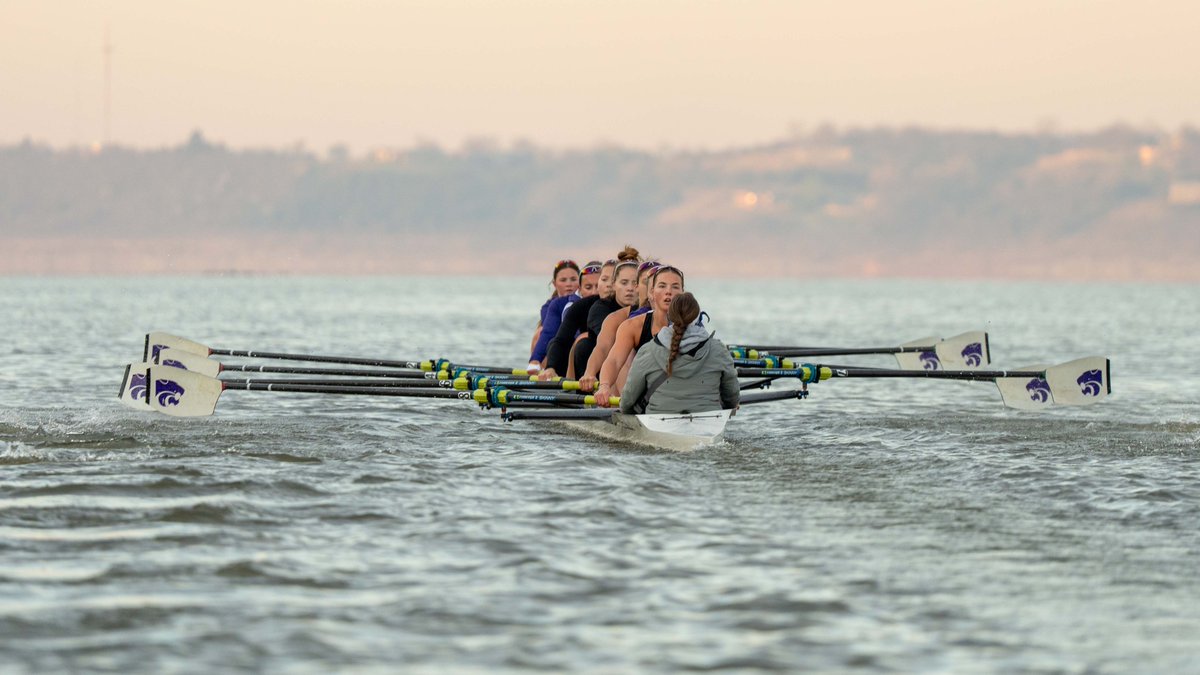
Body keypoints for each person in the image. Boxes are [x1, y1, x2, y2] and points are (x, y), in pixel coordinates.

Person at [620, 292, 740, 415]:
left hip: (658, 420)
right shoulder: (718, 350)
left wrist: (626, 411)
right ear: (696, 317)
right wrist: (730, 405)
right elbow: (732, 395)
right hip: (710, 420)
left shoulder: (648, 350)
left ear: (670, 315)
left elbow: (629, 398)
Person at [541, 245, 641, 380]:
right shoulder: (589, 307)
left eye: (633, 282)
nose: (607, 285)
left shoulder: (647, 307)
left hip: (635, 363)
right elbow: (560, 341)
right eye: (604, 279)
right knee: (583, 342)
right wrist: (550, 367)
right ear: (615, 283)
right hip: (599, 367)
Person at [591, 265, 685, 406]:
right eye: (662, 286)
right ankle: (626, 406)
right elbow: (614, 361)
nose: (669, 292)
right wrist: (604, 386)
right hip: (644, 395)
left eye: (675, 287)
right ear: (651, 293)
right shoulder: (633, 326)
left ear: (683, 294)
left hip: (680, 392)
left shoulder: (693, 326)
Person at [528, 259, 580, 373]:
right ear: (554, 284)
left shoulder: (584, 302)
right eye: (563, 280)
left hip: (577, 347)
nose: (569, 284)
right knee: (539, 333)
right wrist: (535, 359)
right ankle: (543, 372)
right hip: (557, 348)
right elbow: (548, 333)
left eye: (573, 279)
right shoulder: (550, 306)